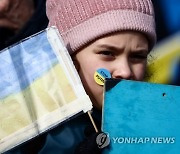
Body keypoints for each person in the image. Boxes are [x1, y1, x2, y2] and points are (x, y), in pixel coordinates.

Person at [5, 0, 156, 153]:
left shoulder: (161, 120)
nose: (125, 71)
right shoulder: (25, 133)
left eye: (138, 56)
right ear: (68, 58)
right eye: (107, 53)